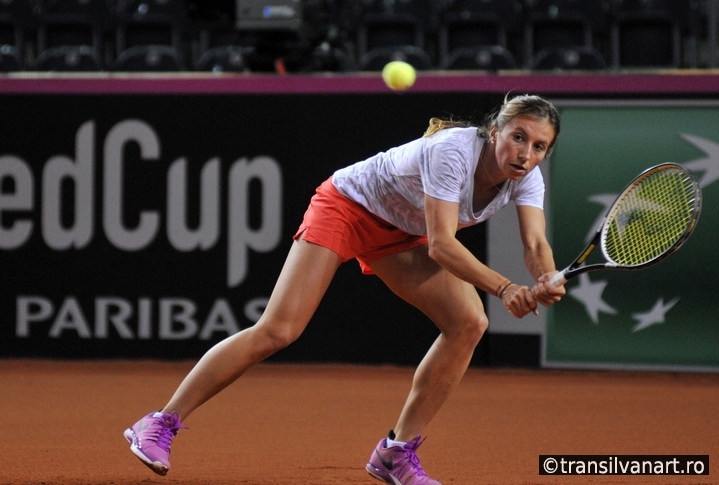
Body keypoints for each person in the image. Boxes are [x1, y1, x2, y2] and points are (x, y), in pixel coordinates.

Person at [123, 94, 566, 484]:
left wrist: (544, 276)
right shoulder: (453, 151)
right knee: (278, 330)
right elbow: (443, 245)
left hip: (398, 232)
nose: (526, 153)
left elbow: (534, 243)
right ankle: (160, 421)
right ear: (494, 133)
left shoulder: (525, 177)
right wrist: (505, 286)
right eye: (518, 137)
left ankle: (395, 453)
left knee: (469, 322)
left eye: (539, 146)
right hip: (348, 207)